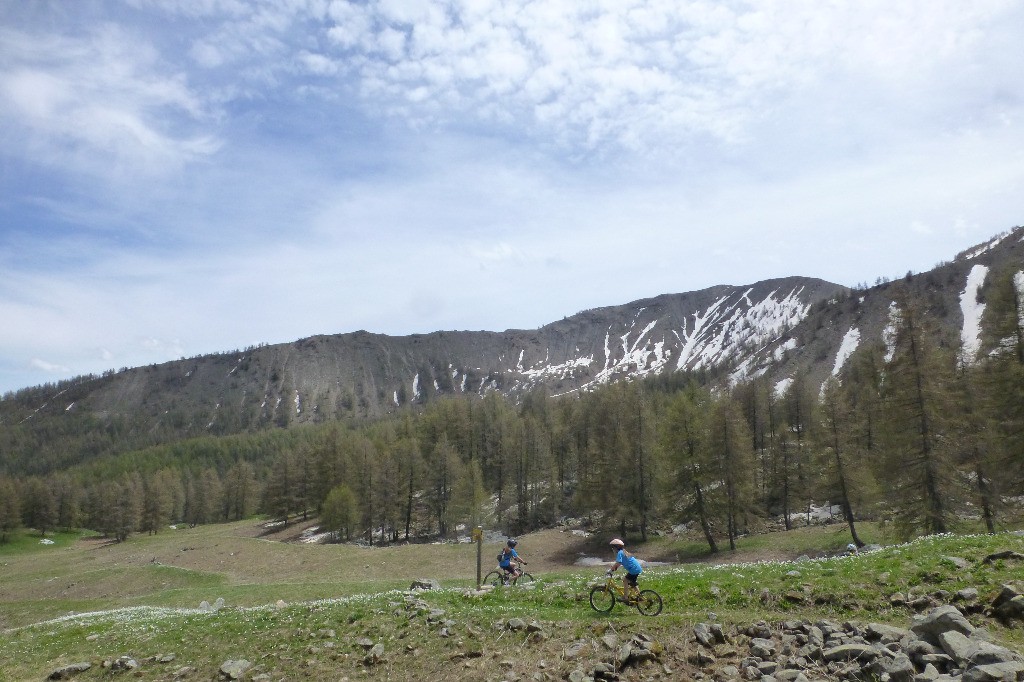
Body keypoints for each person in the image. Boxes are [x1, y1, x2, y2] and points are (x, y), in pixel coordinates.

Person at [607, 538, 643, 603]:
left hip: (633, 569)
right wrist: (614, 568)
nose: (612, 549)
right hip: (637, 568)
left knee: (625, 580)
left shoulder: (620, 553)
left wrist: (611, 570)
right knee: (633, 583)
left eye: (613, 547)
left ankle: (625, 597)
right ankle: (639, 596)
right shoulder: (624, 551)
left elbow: (618, 562)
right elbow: (619, 563)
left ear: (616, 547)